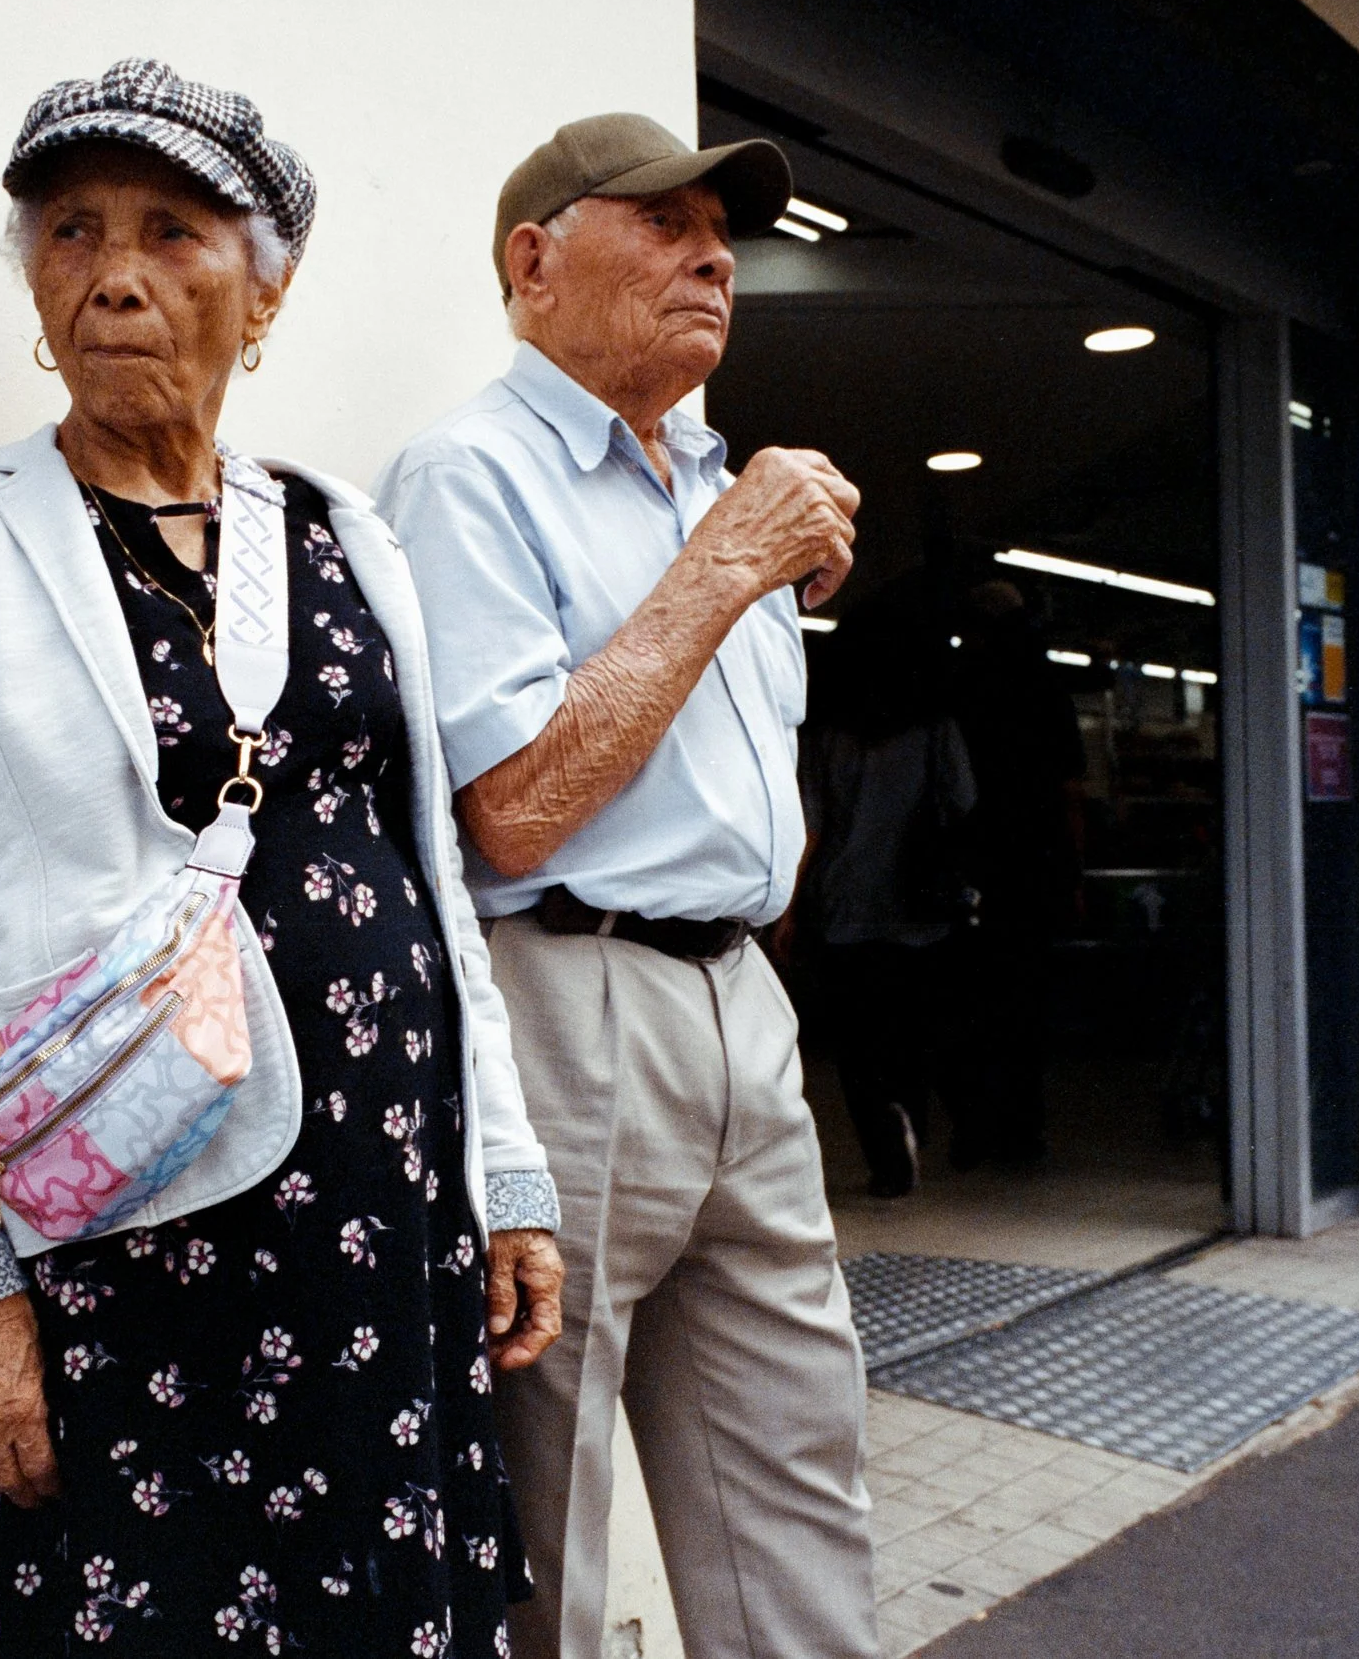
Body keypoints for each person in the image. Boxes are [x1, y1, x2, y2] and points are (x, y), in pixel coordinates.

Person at [0, 59, 566, 1659]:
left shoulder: (342, 532)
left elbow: (430, 883)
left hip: (376, 1224)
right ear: (34, 278)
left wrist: (501, 1172)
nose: (115, 272)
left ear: (265, 289)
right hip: (131, 1247)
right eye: (73, 230)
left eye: (174, 231)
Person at [375, 113, 879, 1659]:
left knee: (799, 1469)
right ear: (535, 261)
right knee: (552, 1507)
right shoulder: (469, 475)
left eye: (721, 231)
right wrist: (728, 566)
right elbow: (518, 809)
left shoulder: (721, 481)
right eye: (660, 222)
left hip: (741, 1003)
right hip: (569, 1005)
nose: (712, 253)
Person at [799, 607, 979, 1197]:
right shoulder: (936, 729)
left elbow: (811, 825)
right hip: (919, 906)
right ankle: (918, 1114)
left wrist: (790, 911)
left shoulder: (826, 736)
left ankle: (886, 1151)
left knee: (857, 1041)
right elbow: (963, 804)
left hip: (844, 904)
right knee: (919, 1023)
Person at [947, 579, 1086, 1164]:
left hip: (976, 860)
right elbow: (1072, 788)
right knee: (1025, 1003)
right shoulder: (1049, 687)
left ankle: (974, 1132)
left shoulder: (962, 686)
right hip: (1036, 863)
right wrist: (1074, 872)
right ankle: (1023, 1132)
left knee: (970, 1000)